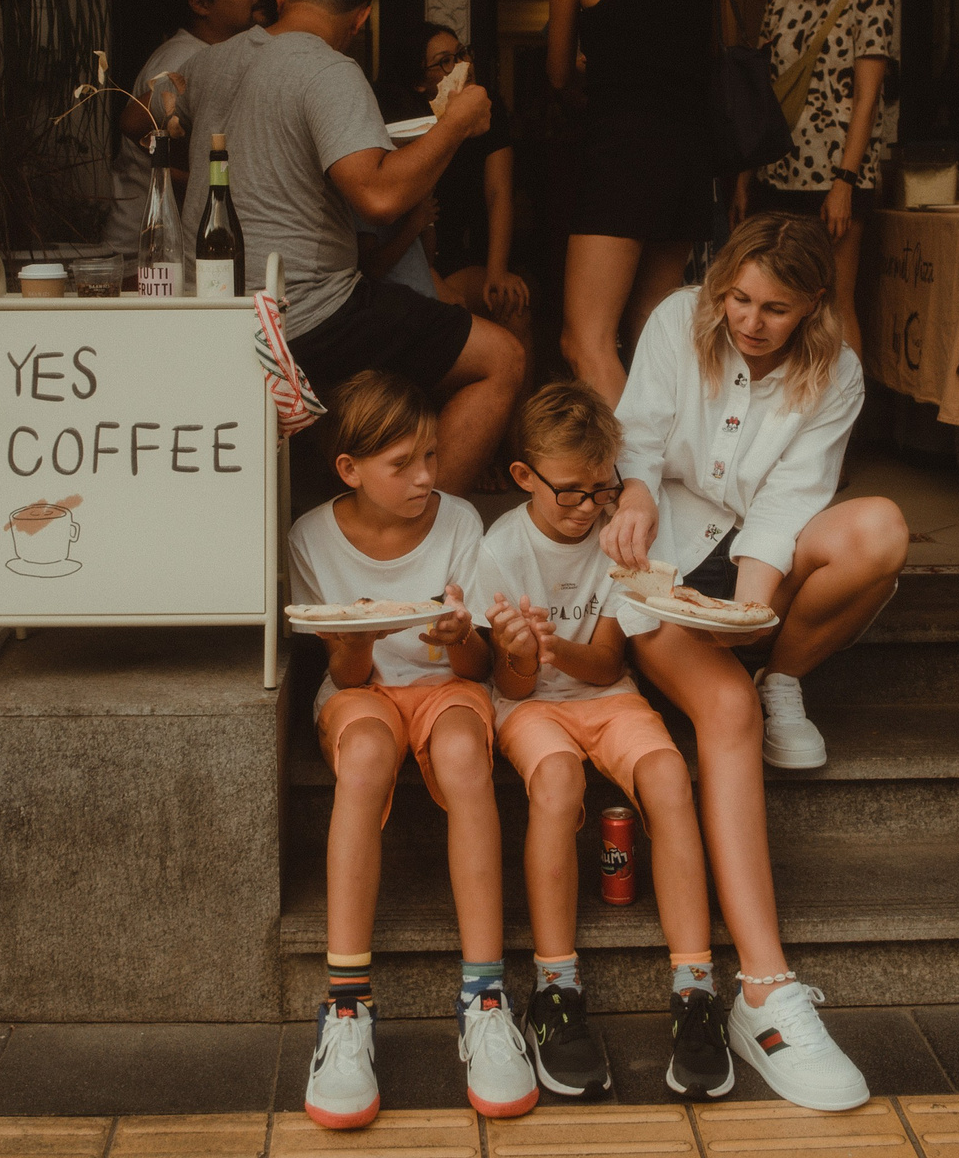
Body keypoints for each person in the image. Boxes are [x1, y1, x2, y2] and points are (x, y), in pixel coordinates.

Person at [603, 214, 910, 1111]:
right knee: (723, 712)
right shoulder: (675, 318)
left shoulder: (839, 368)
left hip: (752, 556)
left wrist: (751, 609)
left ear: (813, 302)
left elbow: (792, 499)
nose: (749, 320)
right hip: (656, 546)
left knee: (880, 530)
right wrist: (628, 497)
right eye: (737, 298)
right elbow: (642, 441)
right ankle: (767, 996)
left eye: (775, 308)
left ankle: (785, 672)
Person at [177, 0, 523, 495]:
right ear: (362, 17)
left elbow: (154, 116)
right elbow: (379, 197)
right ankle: (423, 548)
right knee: (501, 357)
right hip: (307, 310)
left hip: (220, 303)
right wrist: (456, 123)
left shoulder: (211, 62)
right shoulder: (329, 70)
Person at [285, 371, 536, 1127]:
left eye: (429, 454)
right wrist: (353, 643)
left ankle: (485, 998)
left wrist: (463, 642)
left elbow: (476, 672)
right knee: (362, 761)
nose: (426, 476)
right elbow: (345, 674)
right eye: (403, 464)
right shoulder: (310, 539)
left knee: (465, 754)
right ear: (350, 470)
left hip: (442, 688)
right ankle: (346, 1008)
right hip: (361, 693)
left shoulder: (459, 523)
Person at [474, 382, 730, 1101]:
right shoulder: (500, 549)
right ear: (524, 477)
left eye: (602, 487)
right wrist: (524, 655)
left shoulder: (622, 536)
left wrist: (553, 645)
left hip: (606, 694)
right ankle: (556, 989)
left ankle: (694, 989)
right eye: (571, 494)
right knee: (556, 785)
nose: (590, 507)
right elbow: (515, 691)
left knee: (670, 778)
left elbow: (612, 660)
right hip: (534, 710)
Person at [547, 0, 727, 403]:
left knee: (585, 339)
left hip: (622, 152)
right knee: (654, 332)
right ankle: (668, 482)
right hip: (688, 155)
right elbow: (714, 55)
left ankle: (634, 480)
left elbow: (556, 75)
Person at [738, 0, 895, 354]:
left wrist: (844, 182)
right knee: (774, 301)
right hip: (776, 173)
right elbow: (759, 99)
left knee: (834, 303)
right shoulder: (779, 1)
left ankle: (844, 425)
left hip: (836, 177)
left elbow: (867, 97)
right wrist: (744, 179)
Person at [379, 24, 530, 337]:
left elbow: (499, 192)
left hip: (464, 253)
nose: (462, 66)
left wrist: (498, 270)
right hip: (411, 257)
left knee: (514, 309)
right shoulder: (404, 124)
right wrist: (432, 280)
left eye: (462, 54)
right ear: (420, 83)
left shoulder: (489, 109)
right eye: (445, 61)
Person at [111, 0, 266, 246]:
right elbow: (151, 143)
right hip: (150, 251)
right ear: (199, 3)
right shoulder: (181, 61)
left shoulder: (214, 56)